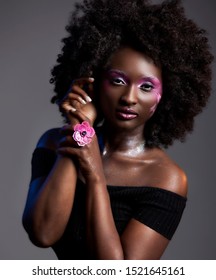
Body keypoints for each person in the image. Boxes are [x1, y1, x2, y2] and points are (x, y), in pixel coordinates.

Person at [22, 0, 213, 260]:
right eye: (118, 81)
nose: (129, 98)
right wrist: (80, 126)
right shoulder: (55, 142)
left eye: (146, 87)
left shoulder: (167, 178)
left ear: (165, 96)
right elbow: (43, 233)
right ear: (94, 81)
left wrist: (95, 176)